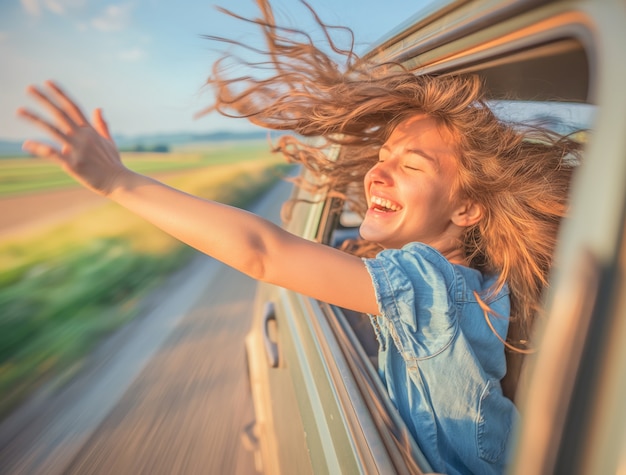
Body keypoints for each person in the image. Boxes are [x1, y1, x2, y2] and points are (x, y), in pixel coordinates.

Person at [17, 1, 581, 473]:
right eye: (381, 158)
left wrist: (119, 182)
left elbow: (262, 253)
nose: (377, 174)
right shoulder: (478, 284)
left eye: (411, 166)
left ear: (468, 208)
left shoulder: (426, 285)